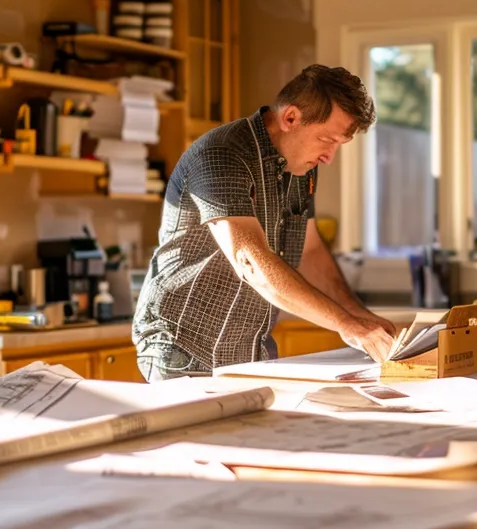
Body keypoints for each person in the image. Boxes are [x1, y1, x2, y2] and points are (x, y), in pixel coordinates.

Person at [132, 65, 397, 381]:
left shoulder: (302, 168)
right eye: (326, 139)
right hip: (182, 348)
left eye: (338, 144)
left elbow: (311, 253)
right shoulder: (222, 155)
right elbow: (251, 262)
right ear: (290, 118)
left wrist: (361, 317)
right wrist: (345, 324)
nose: (329, 157)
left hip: (249, 349)